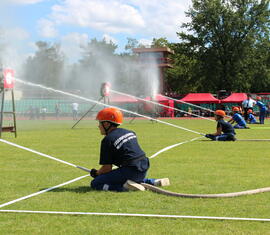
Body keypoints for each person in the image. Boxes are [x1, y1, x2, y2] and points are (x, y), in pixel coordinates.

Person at [90, 107, 170, 192]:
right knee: (127, 176)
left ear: (106, 124)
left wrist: (97, 173)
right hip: (144, 166)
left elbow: (107, 168)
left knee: (96, 183)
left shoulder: (107, 140)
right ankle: (154, 182)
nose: (98, 126)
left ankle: (125, 188)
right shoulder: (129, 132)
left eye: (100, 123)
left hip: (130, 170)